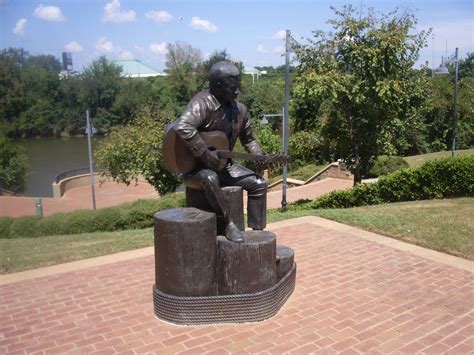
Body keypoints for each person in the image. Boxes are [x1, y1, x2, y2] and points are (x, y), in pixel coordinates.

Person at [173, 61, 267, 243]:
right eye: (232, 87)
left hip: (225, 166)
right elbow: (183, 126)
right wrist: (205, 154)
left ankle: (258, 232)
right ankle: (228, 224)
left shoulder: (240, 110)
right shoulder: (202, 103)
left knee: (259, 183)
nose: (237, 91)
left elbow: (249, 139)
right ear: (217, 86)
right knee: (210, 179)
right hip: (195, 169)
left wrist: (258, 155)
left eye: (237, 86)